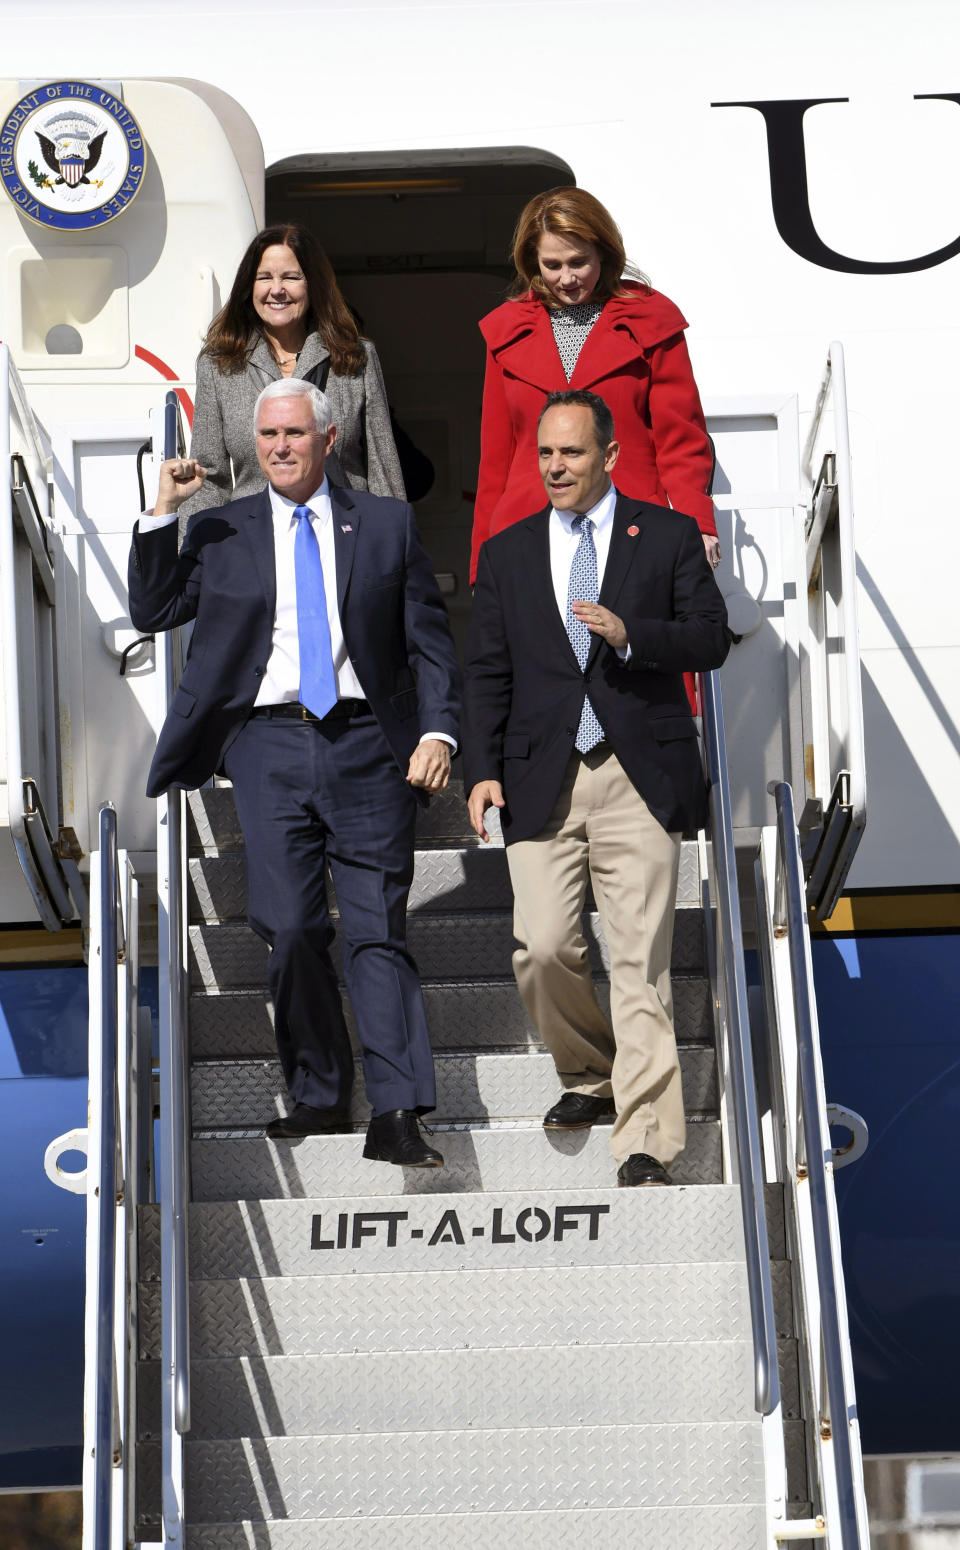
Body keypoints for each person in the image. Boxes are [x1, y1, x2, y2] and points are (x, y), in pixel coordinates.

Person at [129, 379, 461, 1168]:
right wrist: (161, 511)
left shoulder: (385, 523)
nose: (280, 447)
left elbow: (428, 639)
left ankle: (398, 1111)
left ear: (330, 436)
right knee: (292, 930)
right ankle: (318, 1093)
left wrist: (440, 730)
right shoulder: (219, 530)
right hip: (267, 747)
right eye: (269, 435)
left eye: (294, 434)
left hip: (369, 747)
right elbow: (152, 610)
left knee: (378, 929)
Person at [463, 389, 729, 1186]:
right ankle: (588, 1073)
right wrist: (480, 771)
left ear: (609, 457)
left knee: (638, 965)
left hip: (636, 773)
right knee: (542, 948)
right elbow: (485, 673)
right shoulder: (507, 554)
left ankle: (645, 1138)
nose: (555, 467)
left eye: (571, 453)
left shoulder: (669, 536)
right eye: (545, 453)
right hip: (538, 775)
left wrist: (632, 635)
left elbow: (712, 638)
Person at [471, 187, 719, 586]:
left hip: (632, 524)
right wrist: (482, 558)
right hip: (528, 529)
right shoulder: (506, 329)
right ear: (531, 261)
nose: (566, 278)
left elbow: (681, 438)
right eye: (552, 265)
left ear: (603, 251)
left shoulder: (652, 319)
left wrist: (698, 525)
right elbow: (496, 457)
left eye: (578, 262)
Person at [182, 223, 404, 519]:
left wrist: (393, 545)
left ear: (313, 284)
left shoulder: (355, 356)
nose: (277, 290)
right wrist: (194, 554)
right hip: (255, 544)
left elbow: (383, 466)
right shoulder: (219, 363)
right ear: (250, 287)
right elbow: (209, 479)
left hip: (346, 536)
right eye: (264, 278)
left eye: (291, 277)